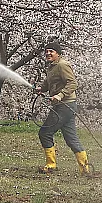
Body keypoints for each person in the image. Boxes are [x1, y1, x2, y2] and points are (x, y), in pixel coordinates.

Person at [37, 40, 89, 175]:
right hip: (64, 106)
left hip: (65, 105)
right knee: (71, 139)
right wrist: (41, 89)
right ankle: (85, 169)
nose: (48, 53)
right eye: (47, 51)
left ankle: (51, 165)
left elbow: (72, 83)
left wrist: (60, 95)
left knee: (45, 132)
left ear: (58, 54)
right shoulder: (52, 67)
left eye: (51, 51)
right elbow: (50, 83)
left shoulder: (62, 65)